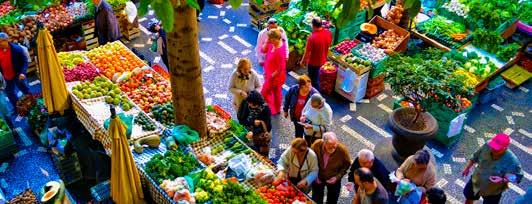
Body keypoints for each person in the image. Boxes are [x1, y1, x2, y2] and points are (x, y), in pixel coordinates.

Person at [461, 133, 522, 204]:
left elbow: (517, 177)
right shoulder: (487, 145)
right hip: (476, 181)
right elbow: (475, 157)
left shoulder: (512, 161)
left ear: (505, 148)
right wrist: (467, 167)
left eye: (497, 149)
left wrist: (502, 179)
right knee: (469, 197)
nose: (493, 149)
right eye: (493, 146)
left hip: (493, 191)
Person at [311, 132, 351, 204]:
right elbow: (311, 160)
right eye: (330, 146)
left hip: (334, 179)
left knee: (332, 201)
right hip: (318, 177)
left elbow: (346, 165)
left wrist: (337, 177)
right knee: (316, 200)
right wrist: (314, 175)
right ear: (324, 143)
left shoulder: (342, 151)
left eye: (335, 145)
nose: (333, 148)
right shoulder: (316, 145)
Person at [300, 17, 332, 91]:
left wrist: (302, 61)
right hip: (323, 60)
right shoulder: (328, 33)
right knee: (318, 78)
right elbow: (329, 44)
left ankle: (315, 96)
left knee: (313, 81)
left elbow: (307, 52)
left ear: (313, 25)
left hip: (313, 63)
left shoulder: (312, 38)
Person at [237, 91, 272, 157]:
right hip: (246, 130)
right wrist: (252, 122)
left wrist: (253, 133)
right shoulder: (246, 103)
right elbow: (241, 120)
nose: (250, 105)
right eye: (249, 103)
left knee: (261, 153)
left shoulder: (265, 109)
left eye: (253, 105)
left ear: (258, 104)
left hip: (259, 134)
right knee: (247, 150)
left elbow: (268, 127)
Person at [260, 28, 287, 115]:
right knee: (276, 92)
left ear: (275, 39)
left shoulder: (280, 51)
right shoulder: (272, 44)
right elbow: (263, 50)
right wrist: (267, 41)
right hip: (269, 73)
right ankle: (276, 109)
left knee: (265, 91)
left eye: (270, 39)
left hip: (274, 77)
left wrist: (271, 77)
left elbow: (281, 68)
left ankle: (269, 108)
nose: (269, 40)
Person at [0, 33, 29, 109]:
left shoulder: (16, 49)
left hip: (17, 74)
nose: (0, 44)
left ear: (7, 40)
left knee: (24, 89)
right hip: (6, 76)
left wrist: (23, 72)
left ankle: (31, 104)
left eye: (1, 41)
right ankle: (17, 108)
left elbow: (25, 61)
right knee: (10, 93)